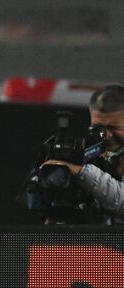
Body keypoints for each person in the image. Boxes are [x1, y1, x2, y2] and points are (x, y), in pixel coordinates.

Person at [42, 84, 124, 223]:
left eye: (113, 127)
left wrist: (81, 171)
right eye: (98, 128)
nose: (106, 136)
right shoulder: (89, 154)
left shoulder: (83, 166)